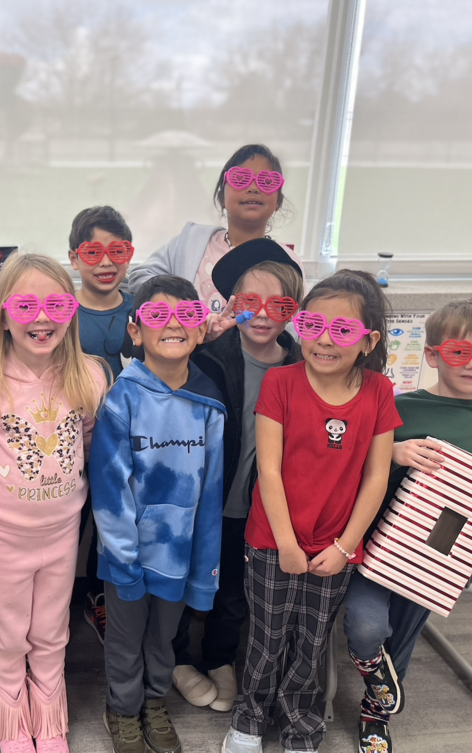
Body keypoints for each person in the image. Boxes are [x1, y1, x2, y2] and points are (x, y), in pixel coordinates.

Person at [223, 270, 402, 753]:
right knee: (266, 636)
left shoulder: (379, 392)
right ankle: (249, 717)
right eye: (312, 325)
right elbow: (270, 470)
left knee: (312, 640)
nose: (324, 340)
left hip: (336, 548)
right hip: (271, 542)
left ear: (368, 342)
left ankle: (302, 723)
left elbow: (376, 478)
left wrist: (345, 547)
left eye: (342, 330)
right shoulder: (280, 383)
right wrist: (284, 542)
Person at [343, 298, 472, 753]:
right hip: (377, 540)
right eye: (460, 352)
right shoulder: (400, 404)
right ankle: (372, 669)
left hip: (440, 548)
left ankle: (376, 711)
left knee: (405, 631)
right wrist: (396, 452)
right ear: (433, 355)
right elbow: (355, 453)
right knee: (367, 627)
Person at [0, 253, 107, 753]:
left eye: (55, 304)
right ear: (3, 315)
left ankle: (49, 710)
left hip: (63, 533)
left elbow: (86, 447)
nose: (41, 317)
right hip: (3, 538)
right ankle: (13, 715)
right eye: (25, 304)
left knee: (51, 627)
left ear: (71, 311)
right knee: (8, 632)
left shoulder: (89, 376)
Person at [91, 275, 225, 753]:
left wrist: (205, 563)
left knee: (166, 637)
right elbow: (109, 491)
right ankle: (123, 709)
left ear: (202, 328)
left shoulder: (209, 403)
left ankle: (153, 701)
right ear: (135, 330)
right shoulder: (122, 399)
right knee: (126, 640)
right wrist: (123, 558)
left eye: (186, 315)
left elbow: (210, 493)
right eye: (157, 316)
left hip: (181, 553)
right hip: (127, 555)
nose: (172, 325)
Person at [171, 240, 305, 713]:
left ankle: (221, 658)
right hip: (203, 499)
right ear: (233, 306)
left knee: (235, 591)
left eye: (280, 305)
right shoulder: (210, 356)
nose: (264, 315)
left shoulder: (300, 367)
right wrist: (196, 341)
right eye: (250, 303)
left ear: (294, 311)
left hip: (259, 505)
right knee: (190, 583)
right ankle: (178, 658)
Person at [127, 144, 300, 340]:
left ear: (278, 202)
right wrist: (186, 312)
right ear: (221, 197)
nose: (253, 188)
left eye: (267, 181)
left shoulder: (288, 260)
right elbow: (140, 277)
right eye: (240, 179)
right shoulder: (192, 241)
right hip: (191, 363)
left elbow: (293, 326)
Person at [66, 205, 137, 645]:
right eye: (93, 252)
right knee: (70, 520)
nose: (106, 262)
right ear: (74, 258)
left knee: (114, 523)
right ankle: (57, 599)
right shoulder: (60, 312)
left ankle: (101, 596)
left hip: (129, 440)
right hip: (73, 440)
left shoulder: (142, 308)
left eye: (118, 250)